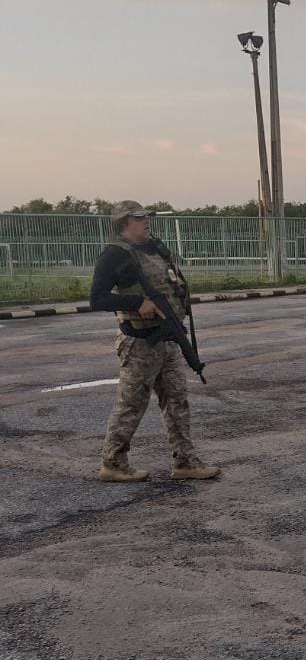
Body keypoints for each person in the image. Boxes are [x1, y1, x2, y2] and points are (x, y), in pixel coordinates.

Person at [89, 201, 220, 483]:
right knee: (132, 404)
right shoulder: (114, 254)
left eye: (148, 216)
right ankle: (113, 463)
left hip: (168, 337)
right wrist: (137, 303)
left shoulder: (155, 248)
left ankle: (185, 461)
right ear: (125, 223)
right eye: (140, 218)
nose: (147, 221)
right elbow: (97, 298)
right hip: (140, 342)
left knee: (177, 400)